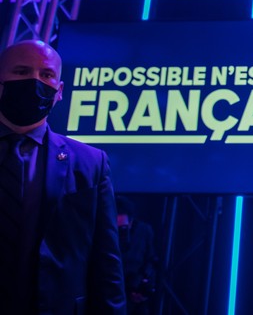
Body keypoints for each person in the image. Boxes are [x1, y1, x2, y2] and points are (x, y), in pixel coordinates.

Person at [0, 39, 126, 314]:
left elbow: (106, 261)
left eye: (46, 75)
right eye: (21, 72)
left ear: (59, 91)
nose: (34, 82)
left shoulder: (91, 162)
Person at [116, 196, 159, 315]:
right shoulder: (101, 232)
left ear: (131, 222)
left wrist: (144, 286)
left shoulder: (144, 231)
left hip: (133, 293)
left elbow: (151, 260)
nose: (119, 232)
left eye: (122, 228)